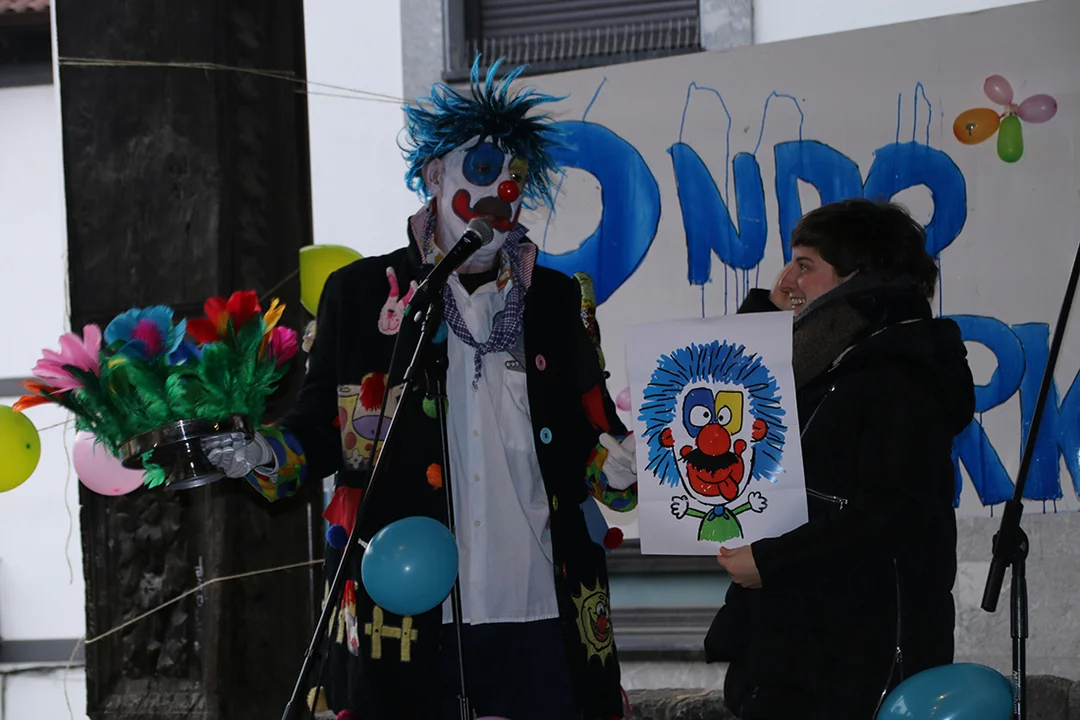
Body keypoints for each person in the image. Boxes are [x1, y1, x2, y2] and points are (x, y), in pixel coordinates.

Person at [201, 57, 638, 719]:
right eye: (482, 168)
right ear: (435, 176)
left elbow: (594, 444)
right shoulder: (361, 295)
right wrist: (263, 453)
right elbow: (320, 430)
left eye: (516, 176)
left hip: (542, 609)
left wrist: (622, 461)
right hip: (404, 617)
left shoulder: (556, 300)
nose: (502, 189)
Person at [706, 198, 976, 719]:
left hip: (850, 653)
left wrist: (771, 560)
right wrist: (765, 318)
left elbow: (894, 510)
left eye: (804, 265)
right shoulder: (824, 361)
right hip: (799, 642)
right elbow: (732, 405)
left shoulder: (898, 372)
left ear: (857, 275)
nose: (786, 280)